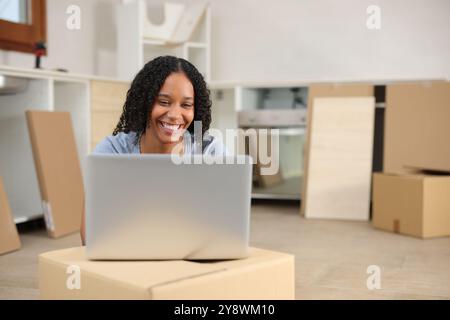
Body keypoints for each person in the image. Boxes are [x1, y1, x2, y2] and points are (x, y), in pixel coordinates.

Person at [80, 56, 226, 244]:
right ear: (145, 102)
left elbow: (225, 229)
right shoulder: (112, 152)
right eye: (164, 102)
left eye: (186, 105)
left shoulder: (210, 151)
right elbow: (90, 235)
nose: (174, 115)